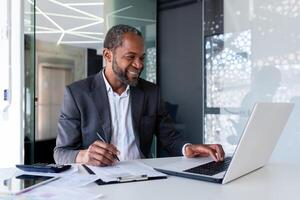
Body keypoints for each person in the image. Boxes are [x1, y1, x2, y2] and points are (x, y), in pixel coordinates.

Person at [54, 24, 224, 166]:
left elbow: (170, 138)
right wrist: (84, 156)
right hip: (97, 180)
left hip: (142, 177)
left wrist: (188, 148)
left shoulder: (151, 92)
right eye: (130, 57)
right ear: (107, 55)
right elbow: (61, 153)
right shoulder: (77, 94)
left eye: (142, 57)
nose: (139, 64)